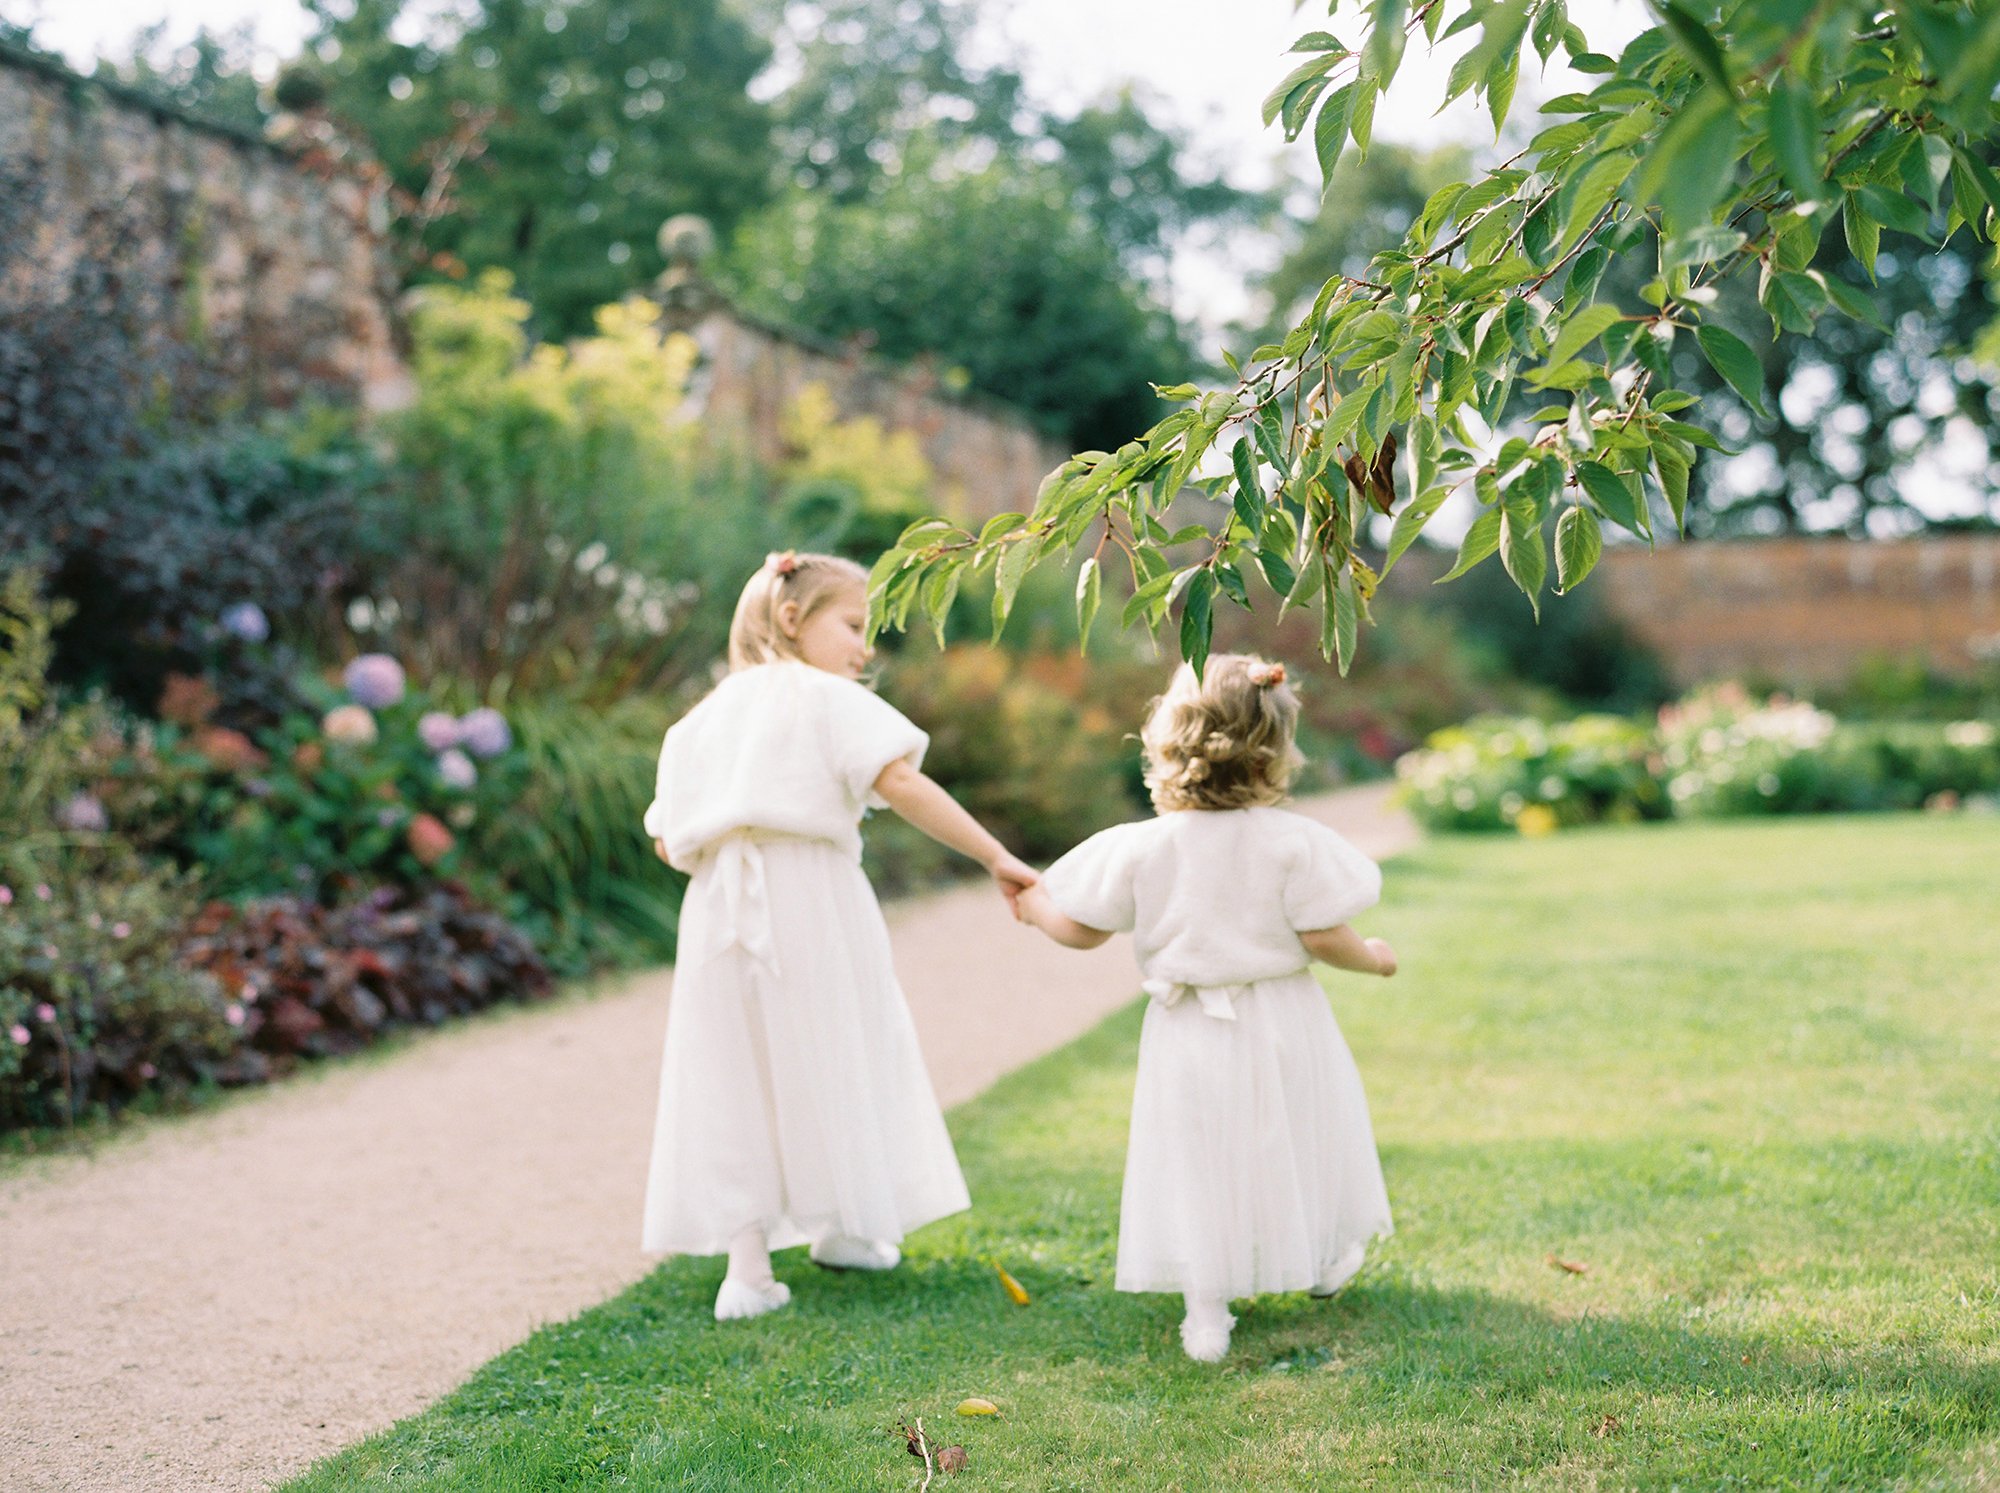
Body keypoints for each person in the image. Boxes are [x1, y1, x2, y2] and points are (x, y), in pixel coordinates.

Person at [641, 550, 1038, 1321]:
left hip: (717, 906)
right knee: (836, 1046)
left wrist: (736, 834)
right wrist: (994, 854)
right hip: (810, 895)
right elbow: (900, 781)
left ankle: (747, 1271)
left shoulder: (697, 722)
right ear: (792, 618)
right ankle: (846, 1226)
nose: (865, 648)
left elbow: (666, 838)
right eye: (854, 625)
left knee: (734, 1067)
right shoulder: (826, 697)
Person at [1014, 653, 1397, 1362]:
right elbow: (1323, 935)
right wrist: (1373, 956)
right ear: (1273, 752)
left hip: (1186, 1029)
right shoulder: (1292, 842)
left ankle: (1207, 1314)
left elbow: (1083, 929)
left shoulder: (1142, 846)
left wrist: (1035, 907)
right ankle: (1320, 1258)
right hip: (1283, 1019)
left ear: (1168, 742)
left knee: (1198, 1157)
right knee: (1298, 1134)